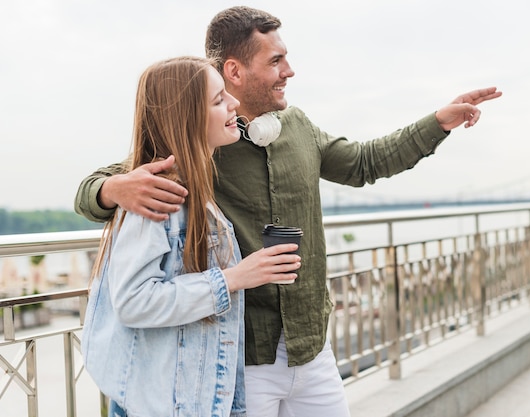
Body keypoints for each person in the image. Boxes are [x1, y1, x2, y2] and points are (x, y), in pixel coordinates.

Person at [75, 6, 502, 417]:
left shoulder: (298, 127)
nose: (289, 71)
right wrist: (111, 189)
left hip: (311, 348)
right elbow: (105, 188)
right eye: (276, 60)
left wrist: (438, 123)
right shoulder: (194, 145)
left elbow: (366, 163)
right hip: (243, 357)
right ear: (235, 71)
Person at [81, 55, 301, 417]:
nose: (233, 103)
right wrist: (234, 278)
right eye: (218, 100)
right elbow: (133, 301)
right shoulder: (158, 197)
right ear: (188, 118)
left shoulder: (192, 192)